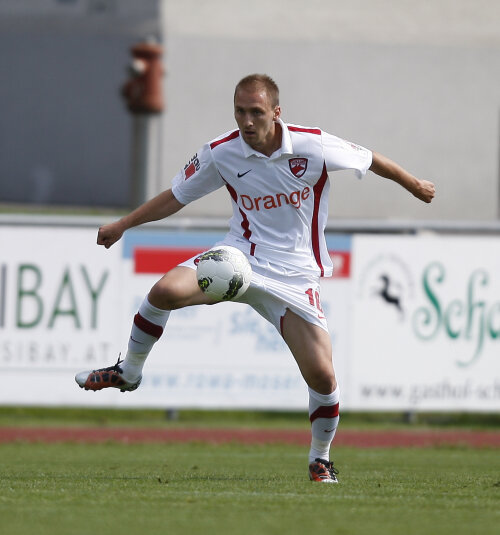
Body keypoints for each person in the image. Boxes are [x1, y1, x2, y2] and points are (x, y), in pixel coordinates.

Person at [76, 74, 435, 483]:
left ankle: (320, 457)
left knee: (323, 376)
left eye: (256, 112)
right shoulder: (220, 153)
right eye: (240, 112)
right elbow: (175, 196)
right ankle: (130, 372)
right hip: (239, 258)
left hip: (296, 276)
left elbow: (371, 159)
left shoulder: (311, 145)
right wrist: (124, 224)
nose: (247, 121)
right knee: (163, 291)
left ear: (276, 113)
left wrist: (414, 185)